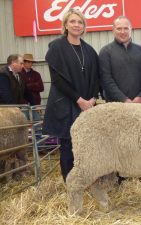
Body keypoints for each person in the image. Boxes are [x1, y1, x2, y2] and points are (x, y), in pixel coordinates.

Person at [42, 8, 101, 182]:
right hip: (66, 104)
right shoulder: (56, 48)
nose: (76, 25)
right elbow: (57, 80)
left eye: (80, 22)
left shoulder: (89, 50)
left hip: (87, 105)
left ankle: (87, 179)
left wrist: (92, 99)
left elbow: (97, 78)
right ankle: (70, 182)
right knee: (68, 144)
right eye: (73, 21)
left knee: (88, 145)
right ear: (66, 24)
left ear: (84, 26)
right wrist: (79, 100)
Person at [99, 16, 141, 103]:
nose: (122, 32)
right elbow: (106, 80)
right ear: (113, 30)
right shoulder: (105, 52)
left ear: (131, 30)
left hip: (139, 105)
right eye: (119, 29)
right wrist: (123, 99)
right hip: (115, 106)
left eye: (126, 28)